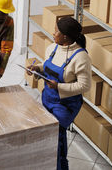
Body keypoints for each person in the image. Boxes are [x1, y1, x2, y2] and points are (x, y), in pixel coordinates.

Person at [27, 16, 91, 170]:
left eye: (56, 31)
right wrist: (38, 69)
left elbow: (85, 85)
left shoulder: (81, 57)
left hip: (66, 105)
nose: (53, 33)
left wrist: (59, 88)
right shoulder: (52, 48)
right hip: (48, 97)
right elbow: (47, 65)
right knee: (46, 135)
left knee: (56, 138)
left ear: (65, 37)